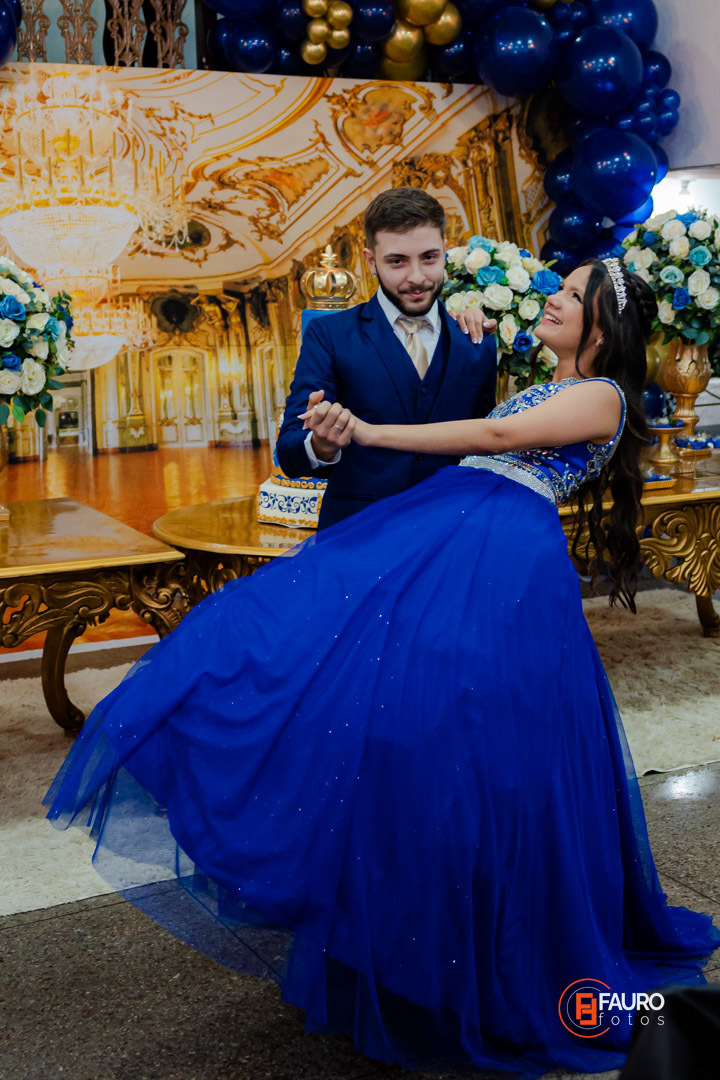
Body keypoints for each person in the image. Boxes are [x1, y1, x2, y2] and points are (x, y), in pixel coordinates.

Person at [46, 258, 720, 1078]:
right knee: (324, 666)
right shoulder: (550, 380)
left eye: (572, 295)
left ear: (604, 329)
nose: (553, 297)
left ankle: (490, 949)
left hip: (497, 558)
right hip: (458, 533)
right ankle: (404, 920)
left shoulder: (604, 394)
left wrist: (367, 431)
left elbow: (494, 438)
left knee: (473, 740)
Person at [276, 186, 498, 529]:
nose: (417, 277)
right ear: (371, 261)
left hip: (457, 529)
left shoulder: (477, 340)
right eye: (397, 261)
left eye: (429, 258)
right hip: (358, 533)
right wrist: (321, 445)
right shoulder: (329, 335)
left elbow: (485, 447)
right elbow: (290, 451)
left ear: (445, 251)